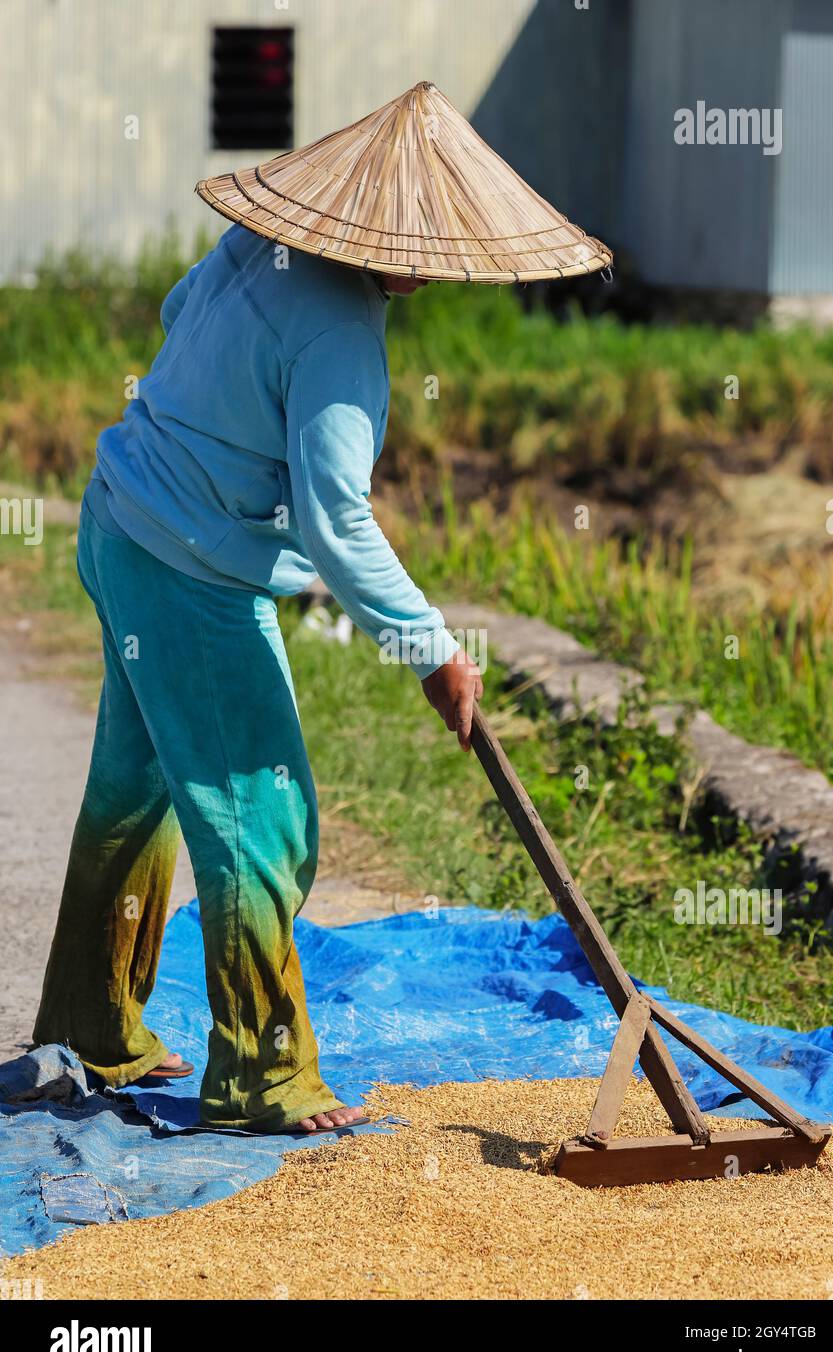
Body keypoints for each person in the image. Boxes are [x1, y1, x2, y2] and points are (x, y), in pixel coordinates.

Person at [33, 81, 611, 1133]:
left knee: (137, 784)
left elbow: (174, 318)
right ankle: (260, 1074)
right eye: (429, 246)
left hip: (117, 524)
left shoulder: (260, 249)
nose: (434, 267)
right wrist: (434, 651)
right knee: (264, 814)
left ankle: (93, 1025)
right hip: (187, 575)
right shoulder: (342, 335)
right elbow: (337, 522)